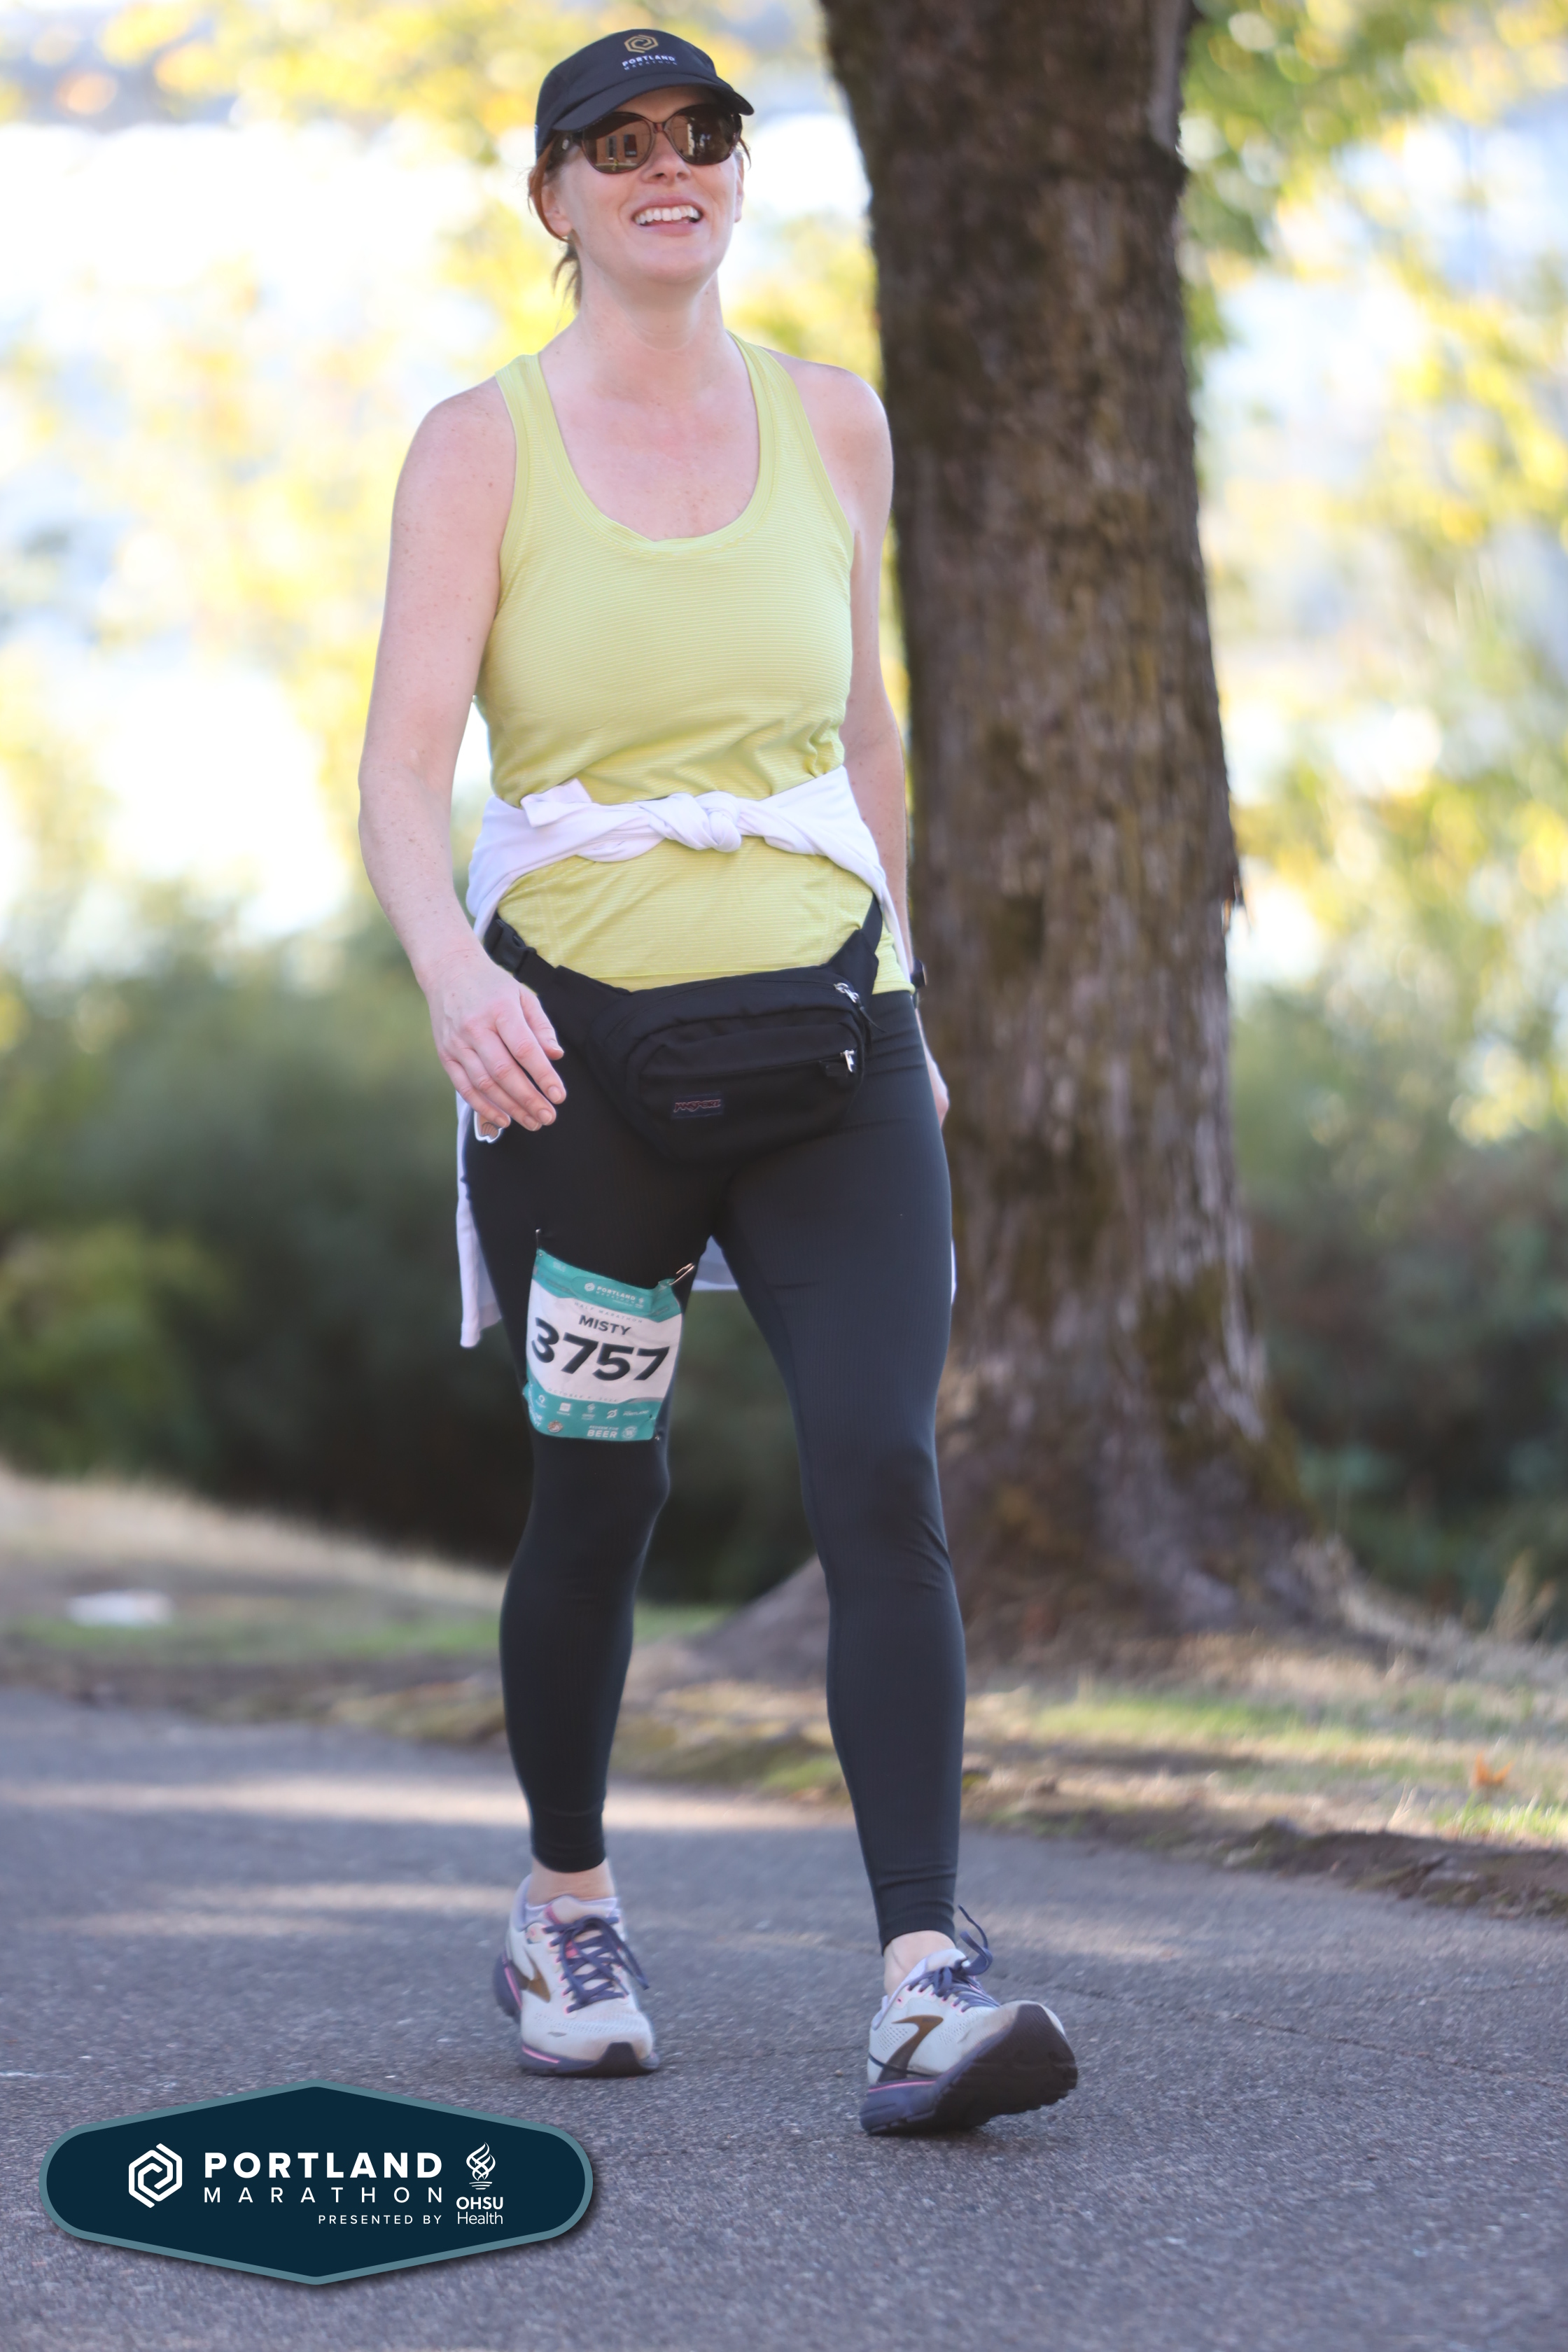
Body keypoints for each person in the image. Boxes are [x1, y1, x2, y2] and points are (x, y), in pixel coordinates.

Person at [358, 26, 1077, 2136]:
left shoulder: (835, 420)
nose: (668, 167)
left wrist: (913, 994)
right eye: (619, 144)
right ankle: (566, 1910)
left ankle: (927, 1978)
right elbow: (401, 773)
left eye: (703, 136)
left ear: (739, 176)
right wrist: (451, 976)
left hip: (837, 1043)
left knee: (880, 1469)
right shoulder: (477, 448)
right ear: (557, 201)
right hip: (573, 1069)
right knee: (603, 1490)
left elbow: (865, 737)